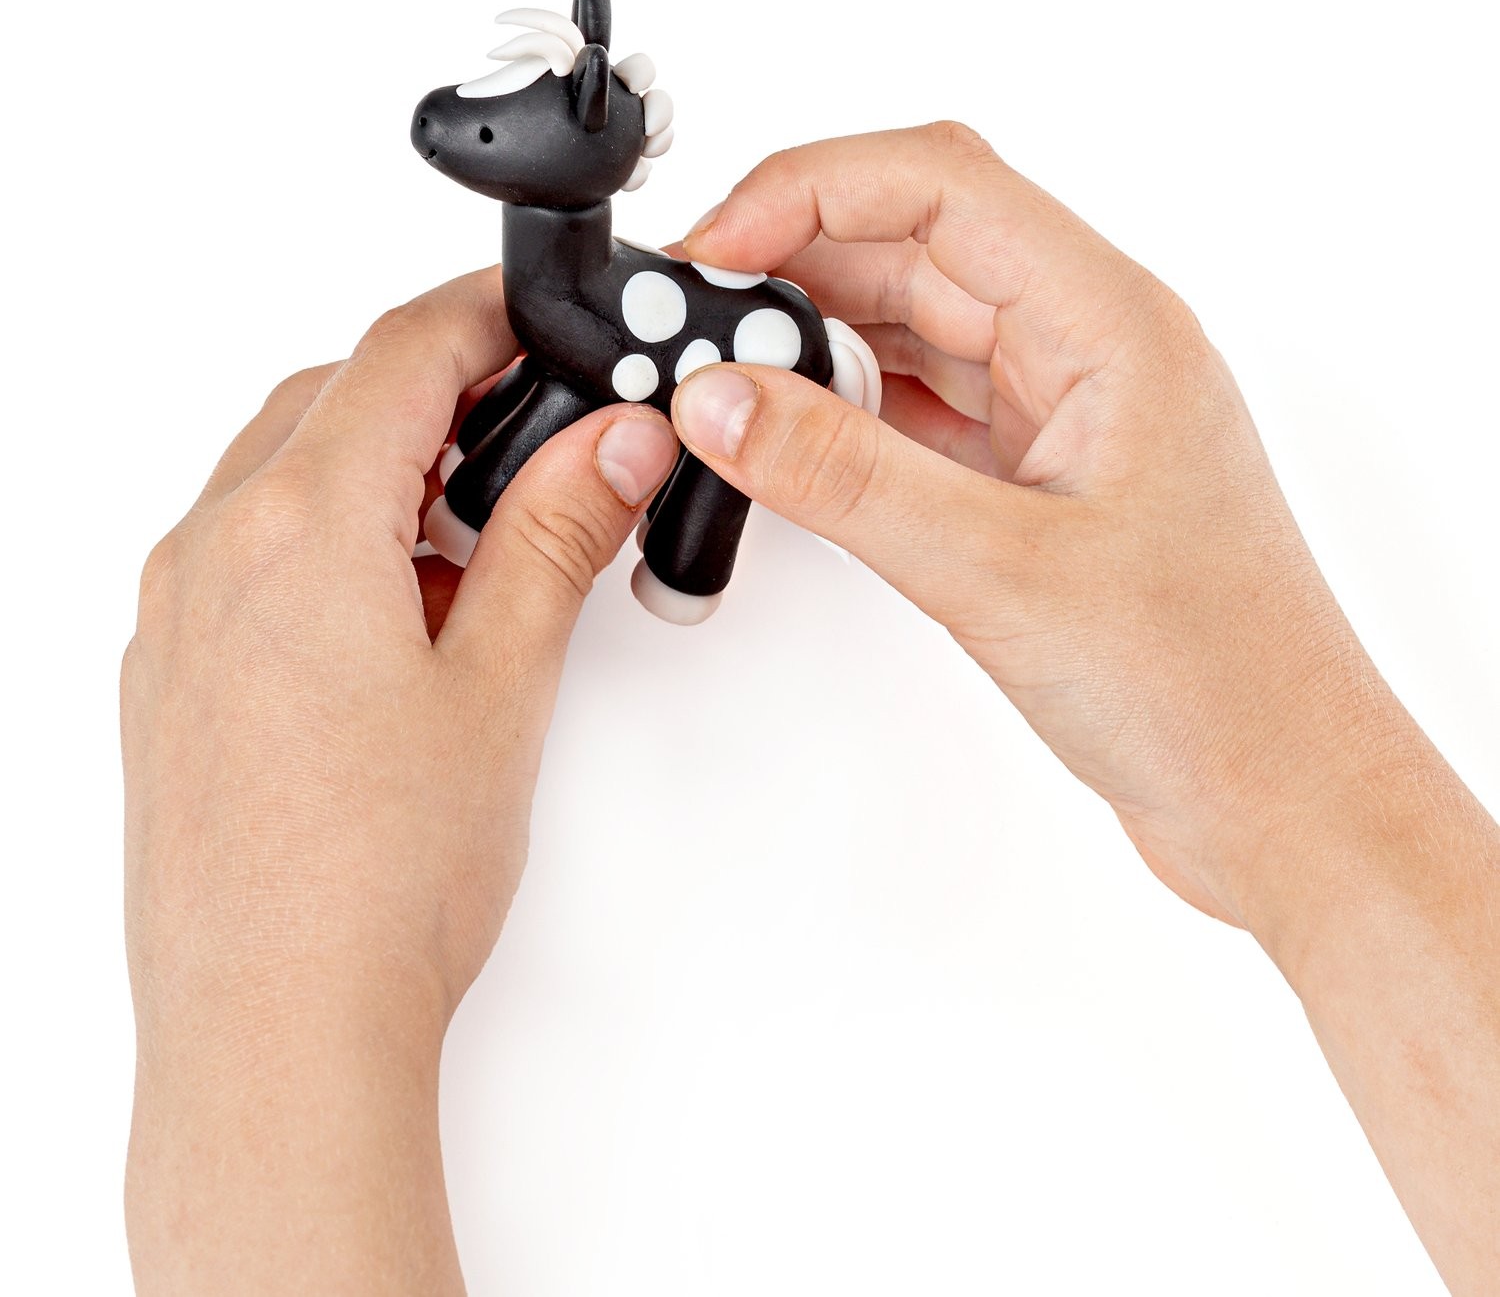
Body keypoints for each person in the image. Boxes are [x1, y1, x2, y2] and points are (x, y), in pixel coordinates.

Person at [121, 124, 1500, 1295]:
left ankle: (687, 555)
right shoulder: (579, 285)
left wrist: (265, 1012)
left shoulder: (657, 308)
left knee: (665, 445)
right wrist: (1293, 785)